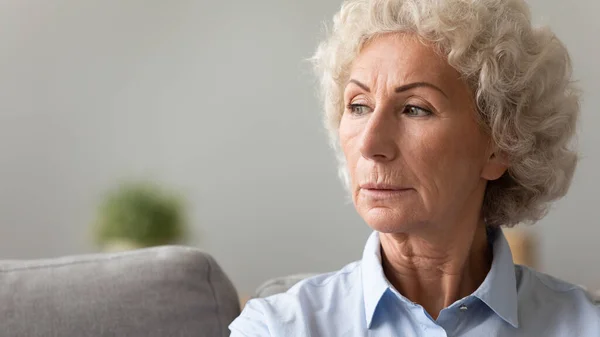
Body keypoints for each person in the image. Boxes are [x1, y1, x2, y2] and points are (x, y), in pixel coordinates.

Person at [229, 0, 600, 335]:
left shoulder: (585, 325)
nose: (370, 144)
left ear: (500, 145)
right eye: (358, 106)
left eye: (414, 108)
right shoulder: (277, 327)